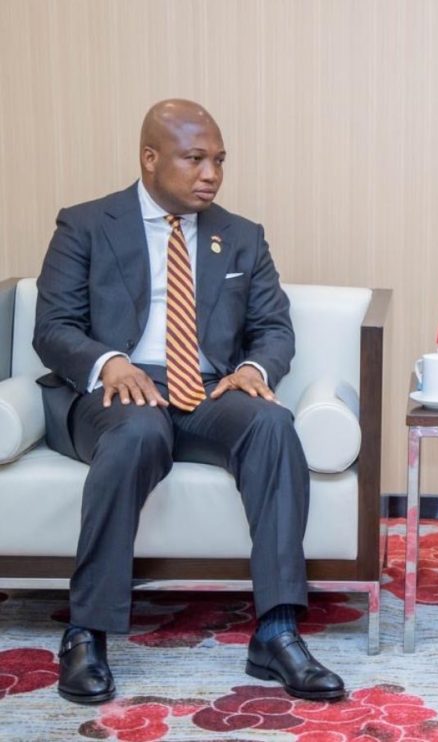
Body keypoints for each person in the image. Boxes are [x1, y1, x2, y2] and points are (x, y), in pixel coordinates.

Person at [33, 99, 346, 704]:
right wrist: (109, 362)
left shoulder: (242, 236)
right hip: (115, 389)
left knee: (273, 425)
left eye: (219, 161)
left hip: (207, 388)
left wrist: (253, 369)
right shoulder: (86, 224)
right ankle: (86, 633)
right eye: (195, 159)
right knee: (138, 431)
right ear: (150, 158)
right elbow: (53, 328)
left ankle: (277, 632)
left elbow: (274, 328)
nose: (211, 174)